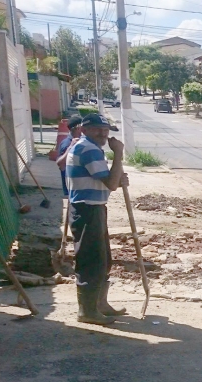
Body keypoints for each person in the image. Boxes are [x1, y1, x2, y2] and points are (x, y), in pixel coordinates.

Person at [65, 114, 130, 325]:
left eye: (105, 130)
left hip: (94, 208)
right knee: (92, 260)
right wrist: (118, 154)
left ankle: (99, 305)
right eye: (97, 129)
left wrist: (118, 179)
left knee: (103, 259)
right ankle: (87, 311)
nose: (103, 134)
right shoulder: (88, 149)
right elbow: (110, 183)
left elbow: (107, 181)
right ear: (84, 130)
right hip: (87, 210)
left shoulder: (91, 148)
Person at [56, 115, 83, 198]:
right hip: (72, 189)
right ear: (78, 128)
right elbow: (61, 165)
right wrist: (71, 147)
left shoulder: (80, 141)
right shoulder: (67, 144)